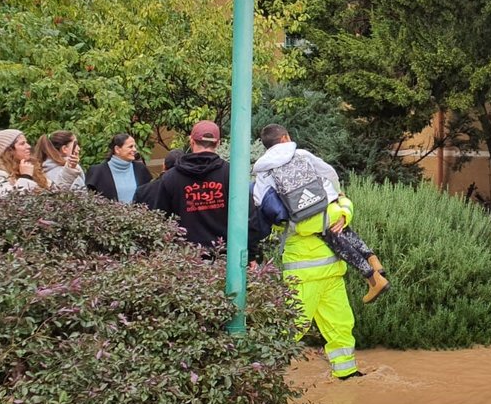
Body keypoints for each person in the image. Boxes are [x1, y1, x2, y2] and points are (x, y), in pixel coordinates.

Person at [252, 124, 389, 303]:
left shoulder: (264, 169)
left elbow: (260, 199)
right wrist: (337, 194)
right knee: (342, 230)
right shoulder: (301, 154)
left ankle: (372, 278)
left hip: (304, 217)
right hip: (328, 205)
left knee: (334, 236)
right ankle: (372, 260)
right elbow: (329, 172)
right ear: (285, 137)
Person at [153, 123, 231, 250]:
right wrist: (251, 253)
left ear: (191, 141)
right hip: (225, 256)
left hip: (187, 259)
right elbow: (248, 216)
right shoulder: (231, 174)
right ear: (218, 143)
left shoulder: (170, 178)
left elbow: (159, 218)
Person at [85, 133, 152, 204]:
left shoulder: (140, 169)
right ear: (117, 149)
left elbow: (149, 196)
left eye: (135, 146)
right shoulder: (97, 172)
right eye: (130, 147)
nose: (135, 149)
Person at [0, 129, 49, 194]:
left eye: (26, 143)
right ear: (9, 150)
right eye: (22, 144)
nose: (28, 146)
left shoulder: (30, 168)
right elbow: (8, 201)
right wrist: (26, 176)